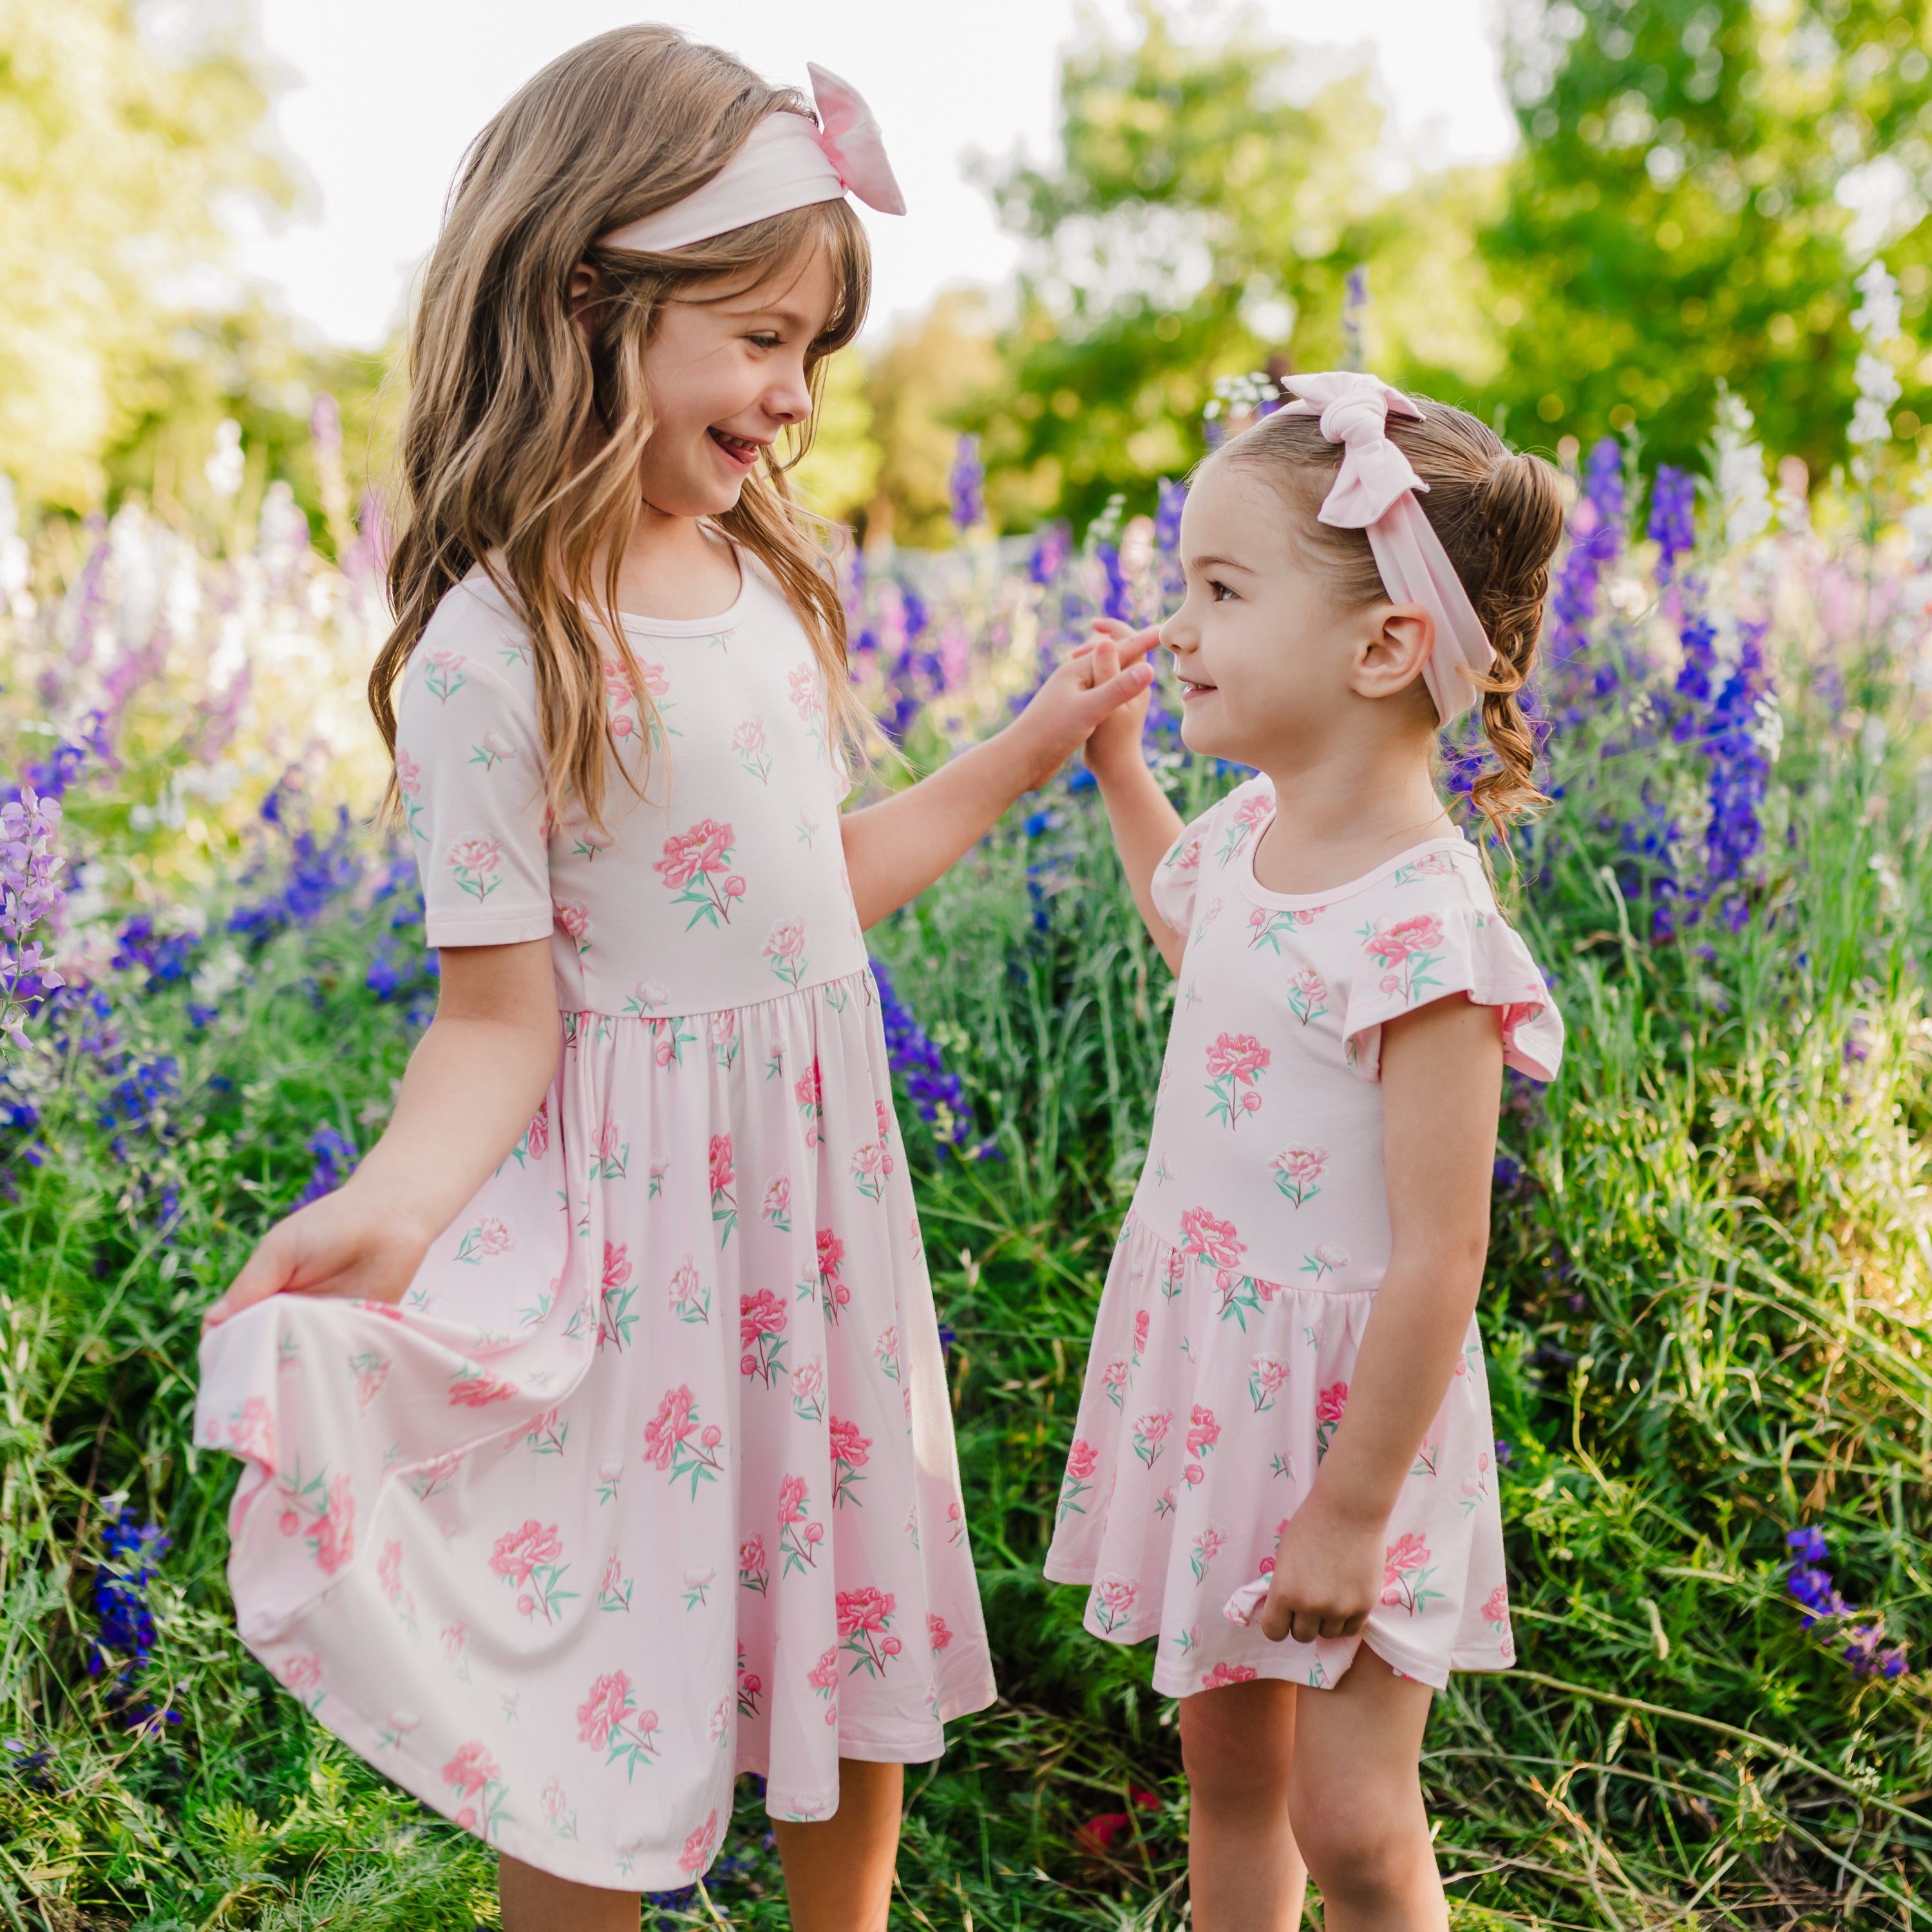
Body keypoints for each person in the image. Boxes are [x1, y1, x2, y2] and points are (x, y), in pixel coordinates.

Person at [194, 28, 1152, 1930]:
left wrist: (1024, 752)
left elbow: (810, 894)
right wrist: (385, 1210)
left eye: (816, 349)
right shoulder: (498, 652)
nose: (795, 394)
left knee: (846, 1612)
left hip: (817, 1206)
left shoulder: (764, 584)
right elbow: (495, 1012)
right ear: (585, 299)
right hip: (639, 1235)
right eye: (762, 336)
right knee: (606, 1654)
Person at [1048, 372, 1567, 1931]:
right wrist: (1123, 773)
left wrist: (1350, 1513)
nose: (1178, 626)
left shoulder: (1428, 935)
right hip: (1220, 1380)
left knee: (1350, 1818)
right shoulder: (1250, 836)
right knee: (1233, 1785)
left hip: (1356, 1419)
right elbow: (1188, 925)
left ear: (1383, 646)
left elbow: (1442, 1254)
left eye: (1218, 589)